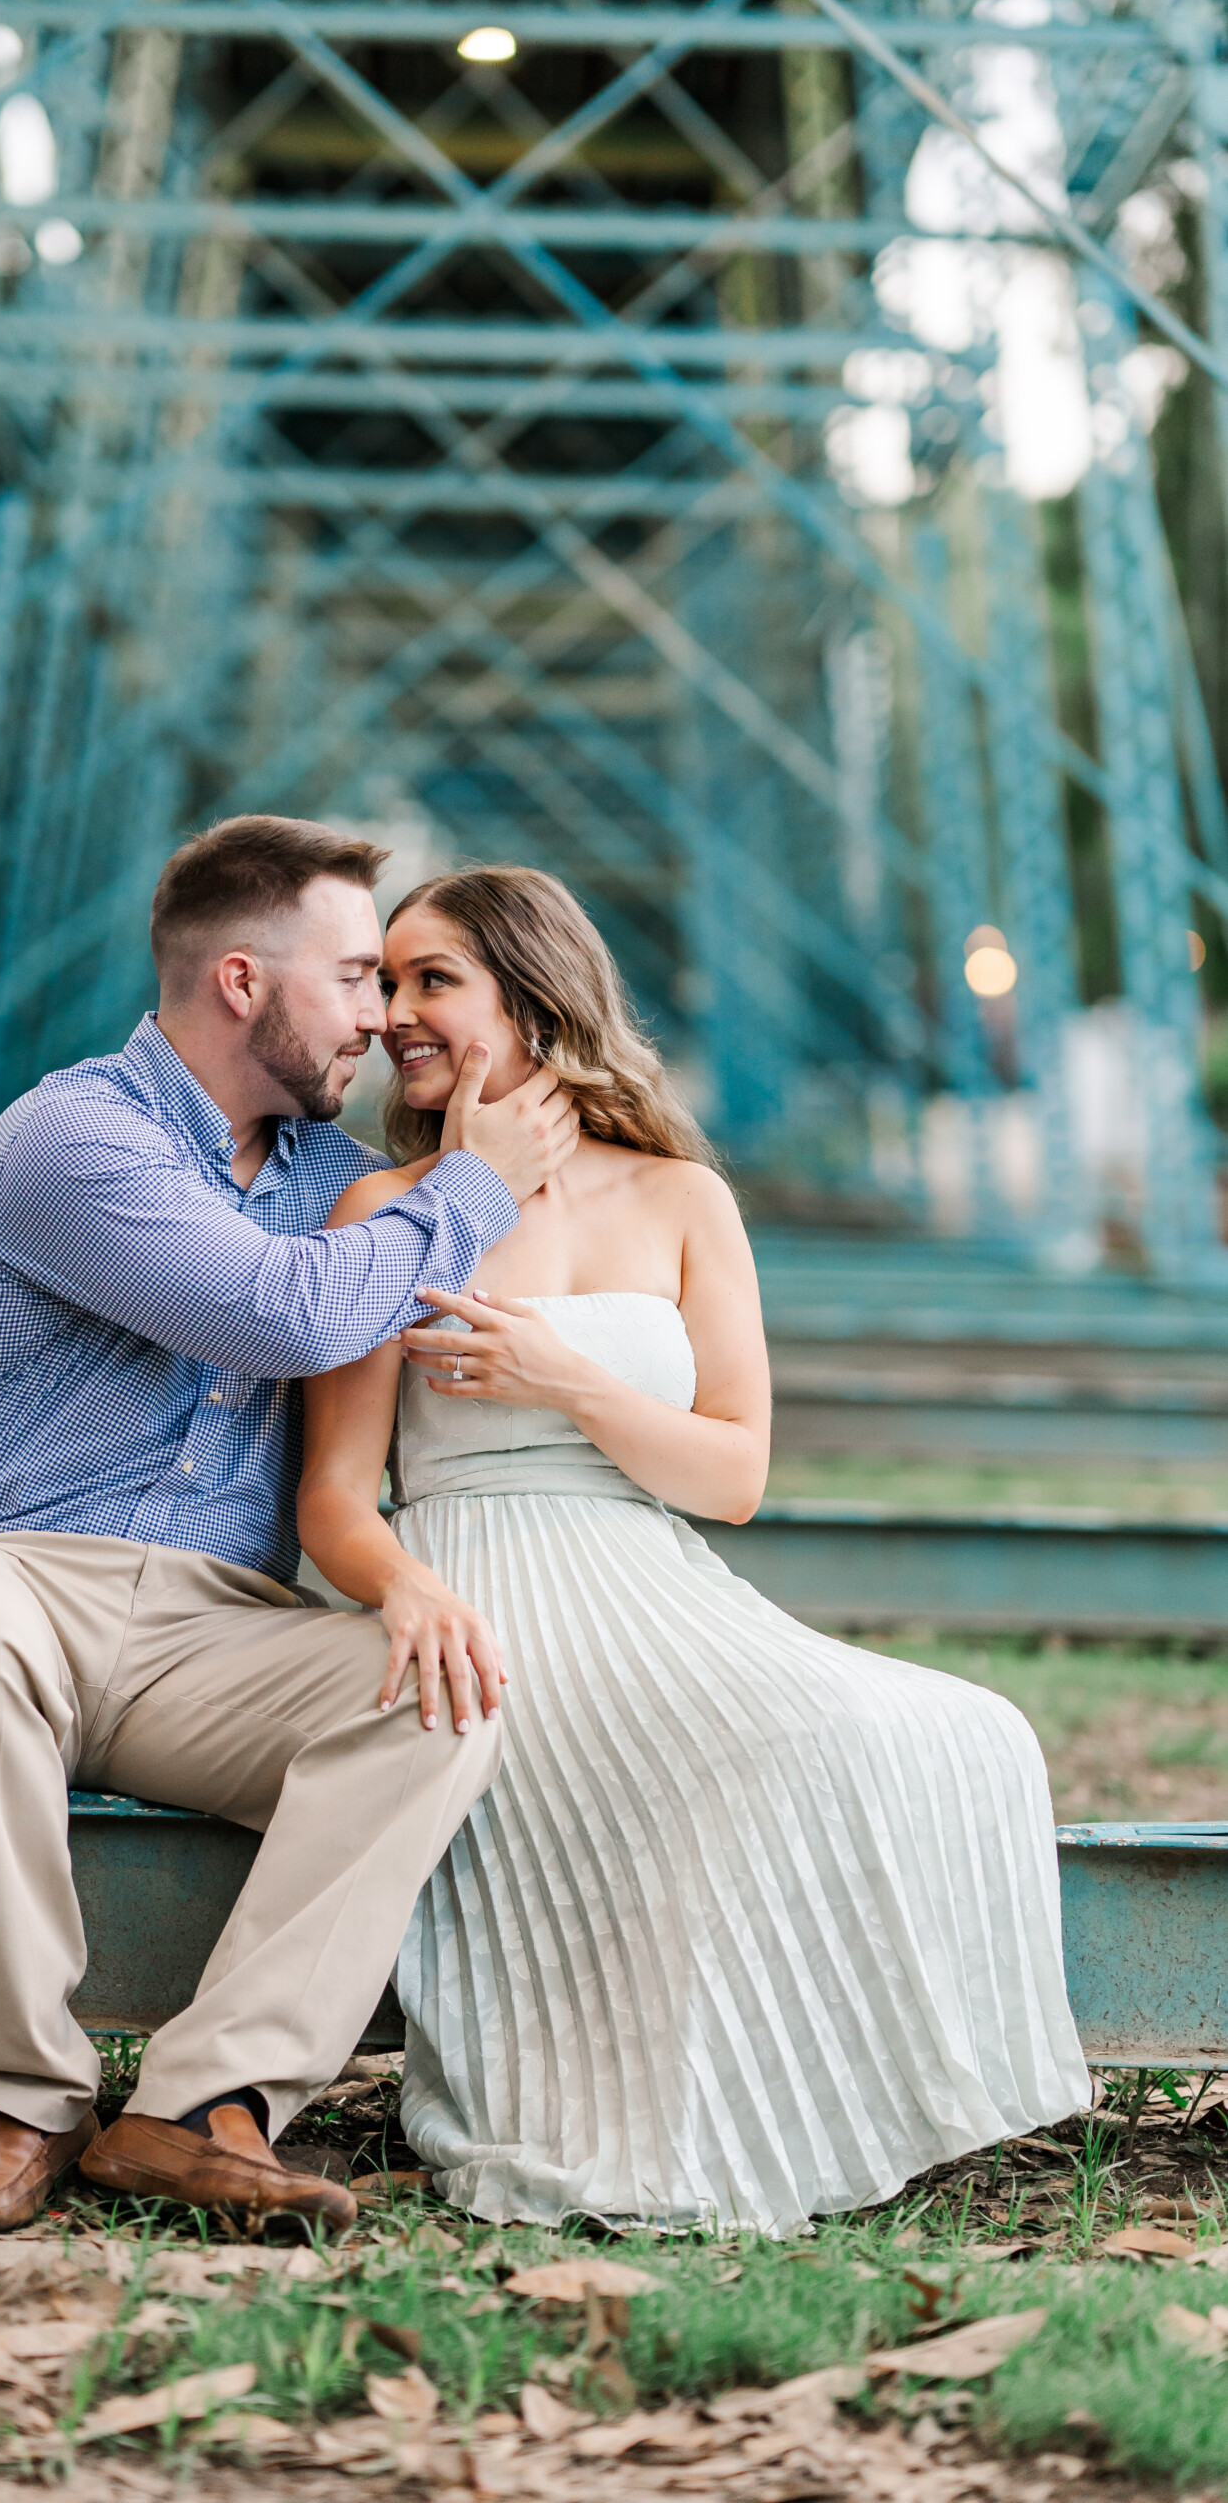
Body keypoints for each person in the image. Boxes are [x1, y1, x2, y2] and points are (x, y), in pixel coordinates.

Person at [297, 866, 1091, 2234]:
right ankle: (644, 2098)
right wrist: (409, 1590)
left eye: (435, 981)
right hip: (479, 1585)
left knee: (960, 1731)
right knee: (770, 1746)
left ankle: (796, 2094)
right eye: (386, 983)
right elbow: (331, 1498)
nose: (396, 1015)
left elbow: (733, 1473)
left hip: (650, 1568)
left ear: (535, 1002)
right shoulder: (385, 1210)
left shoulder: (681, 1202)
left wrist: (566, 1381)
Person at [0, 816, 579, 2237]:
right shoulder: (72, 1136)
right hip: (9, 1578)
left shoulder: (343, 1184)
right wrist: (472, 1187)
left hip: (213, 1631)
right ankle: (19, 2103)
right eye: (357, 976)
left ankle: (201, 2107)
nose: (381, 1013)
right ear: (243, 981)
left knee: (439, 1701)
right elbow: (278, 1313)